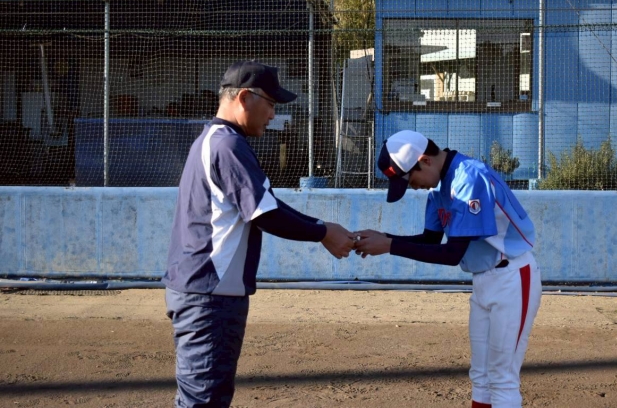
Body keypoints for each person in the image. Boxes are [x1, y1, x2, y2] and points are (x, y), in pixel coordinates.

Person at [162, 60, 355, 407]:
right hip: (209, 296)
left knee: (205, 397)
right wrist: (323, 232)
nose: (273, 114)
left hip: (204, 291)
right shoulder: (227, 146)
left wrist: (323, 227)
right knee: (203, 400)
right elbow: (267, 216)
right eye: (270, 103)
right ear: (244, 98)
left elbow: (268, 205)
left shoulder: (217, 141)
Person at [353, 130, 542, 408]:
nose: (412, 187)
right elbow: (430, 240)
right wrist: (382, 237)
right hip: (483, 280)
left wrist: (389, 245)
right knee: (480, 376)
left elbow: (452, 254)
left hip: (513, 276)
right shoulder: (438, 189)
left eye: (410, 179)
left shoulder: (470, 177)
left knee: (502, 379)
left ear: (425, 160)